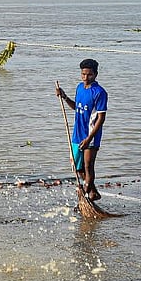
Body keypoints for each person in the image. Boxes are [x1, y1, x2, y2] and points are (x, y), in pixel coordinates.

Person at [56, 58, 108, 201]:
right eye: (83, 74)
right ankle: (92, 191)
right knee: (77, 168)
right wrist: (65, 97)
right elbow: (77, 107)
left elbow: (101, 118)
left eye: (89, 75)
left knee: (88, 165)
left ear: (95, 74)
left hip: (91, 135)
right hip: (77, 134)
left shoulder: (99, 92)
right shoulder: (79, 87)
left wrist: (89, 139)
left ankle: (85, 196)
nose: (86, 78)